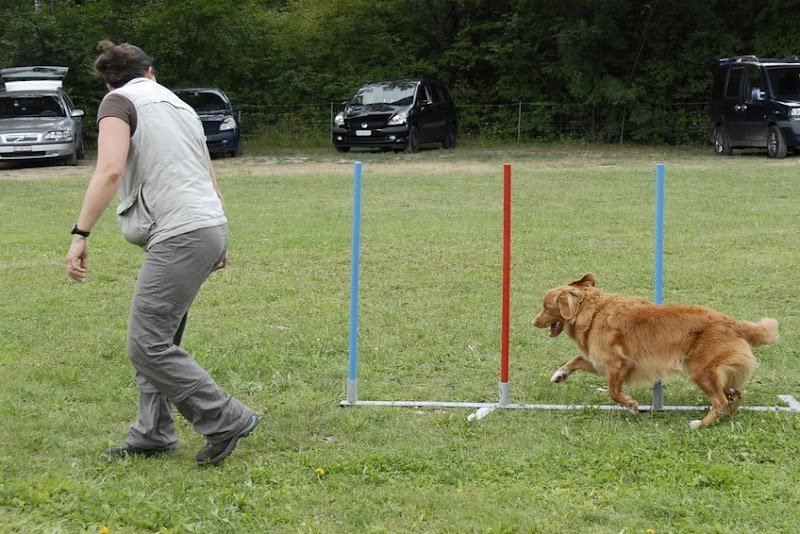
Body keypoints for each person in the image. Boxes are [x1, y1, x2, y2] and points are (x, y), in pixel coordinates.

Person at [65, 40, 258, 466]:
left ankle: (224, 417)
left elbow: (110, 170)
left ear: (109, 80)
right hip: (206, 225)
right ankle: (152, 434)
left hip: (181, 232)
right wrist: (219, 233)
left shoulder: (117, 102)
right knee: (160, 335)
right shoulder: (180, 105)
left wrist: (81, 232)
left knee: (146, 343)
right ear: (150, 71)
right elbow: (205, 172)